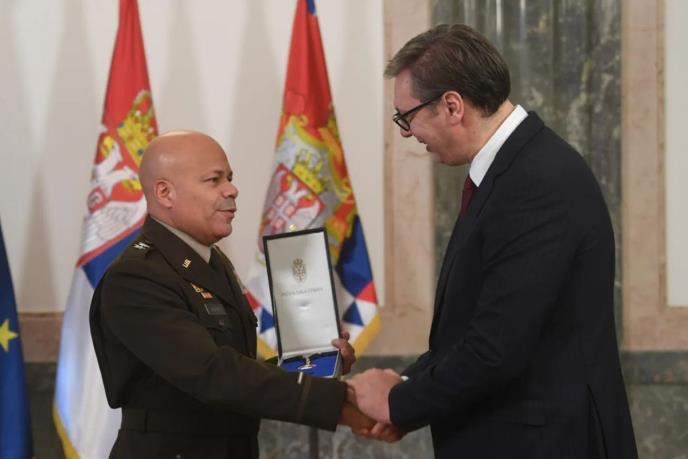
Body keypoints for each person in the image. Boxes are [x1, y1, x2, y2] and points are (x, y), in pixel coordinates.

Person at [348, 24, 638, 458]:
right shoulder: (513, 170)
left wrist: (399, 403)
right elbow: (473, 328)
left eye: (406, 117)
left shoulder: (536, 181)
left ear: (452, 106)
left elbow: (496, 348)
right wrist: (406, 386)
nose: (406, 133)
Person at [89, 131, 371, 459]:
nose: (232, 190)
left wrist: (316, 363)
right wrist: (339, 403)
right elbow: (211, 372)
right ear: (165, 193)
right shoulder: (137, 276)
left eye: (230, 178)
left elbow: (236, 367)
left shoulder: (212, 262)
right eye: (214, 180)